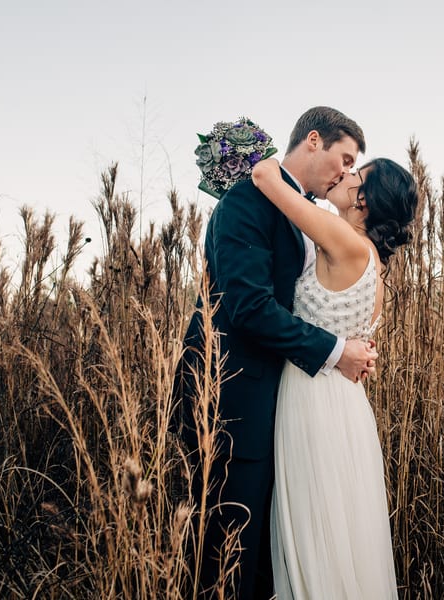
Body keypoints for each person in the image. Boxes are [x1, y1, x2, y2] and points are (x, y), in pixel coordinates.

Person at [171, 106, 379, 599]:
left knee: (258, 564)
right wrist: (334, 350)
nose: (346, 173)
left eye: (353, 167)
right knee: (223, 563)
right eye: (344, 159)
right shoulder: (247, 200)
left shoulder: (297, 213)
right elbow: (248, 307)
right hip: (229, 404)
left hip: (276, 413)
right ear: (313, 140)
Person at [251, 156, 418, 598]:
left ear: (363, 200)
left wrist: (245, 149)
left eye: (354, 175)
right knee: (338, 533)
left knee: (312, 530)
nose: (344, 175)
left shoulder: (343, 237)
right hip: (344, 405)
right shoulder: (375, 264)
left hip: (312, 399)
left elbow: (268, 178)